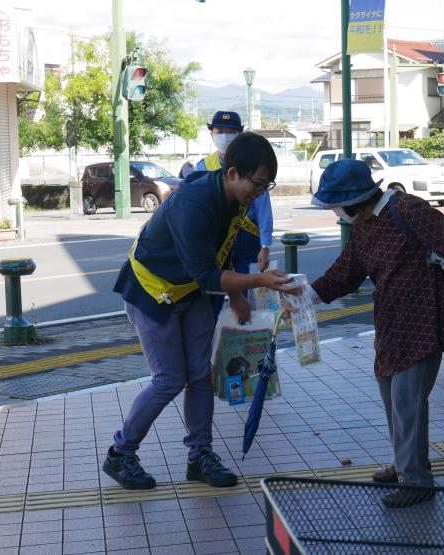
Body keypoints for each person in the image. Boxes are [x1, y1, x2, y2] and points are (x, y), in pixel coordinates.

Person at [307, 159, 444, 508]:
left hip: (424, 321)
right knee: (393, 398)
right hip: (391, 323)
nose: (336, 213)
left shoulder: (408, 209)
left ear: (356, 201)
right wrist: (304, 297)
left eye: (338, 206)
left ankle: (416, 481)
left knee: (407, 401)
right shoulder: (364, 227)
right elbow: (345, 272)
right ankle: (407, 464)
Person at [103, 132, 298, 491]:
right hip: (152, 291)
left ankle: (200, 456)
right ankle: (121, 453)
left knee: (200, 376)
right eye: (258, 183)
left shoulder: (236, 200)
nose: (261, 192)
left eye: (267, 185)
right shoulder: (193, 203)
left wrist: (237, 297)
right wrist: (259, 283)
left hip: (190, 290)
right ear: (234, 173)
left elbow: (220, 255)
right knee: (169, 379)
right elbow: (208, 274)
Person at [196, 111, 273, 275]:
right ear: (212, 134)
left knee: (249, 287)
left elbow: (263, 207)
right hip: (217, 235)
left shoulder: (254, 164)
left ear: (240, 135)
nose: (225, 137)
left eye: (231, 132)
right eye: (220, 132)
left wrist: (265, 246)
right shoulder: (203, 166)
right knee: (214, 288)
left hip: (247, 236)